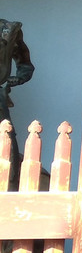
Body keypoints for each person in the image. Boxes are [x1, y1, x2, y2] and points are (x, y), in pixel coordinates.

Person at [0, 18, 34, 186]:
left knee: (6, 143)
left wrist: (9, 82)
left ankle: (10, 185)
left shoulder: (8, 29)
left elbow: (26, 66)